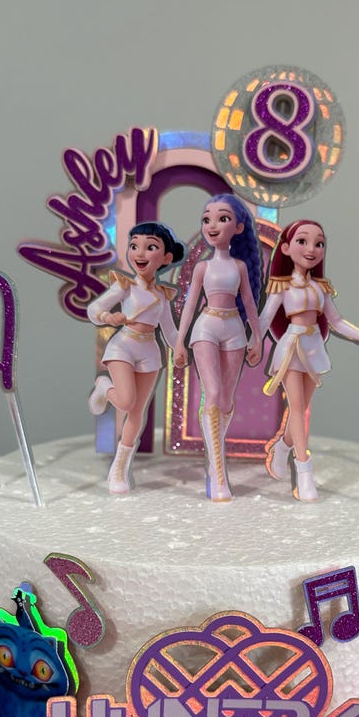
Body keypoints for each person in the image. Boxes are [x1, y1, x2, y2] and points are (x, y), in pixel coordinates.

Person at [260, 220, 359, 501]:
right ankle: (304, 471)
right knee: (297, 408)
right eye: (302, 241)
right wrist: (250, 342)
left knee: (301, 409)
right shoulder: (281, 286)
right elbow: (266, 318)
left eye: (318, 243)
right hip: (291, 348)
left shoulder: (320, 287)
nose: (311, 249)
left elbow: (336, 321)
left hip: (313, 349)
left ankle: (282, 447)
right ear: (285, 248)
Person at [174, 194, 263, 501]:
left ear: (238, 228)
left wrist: (257, 337)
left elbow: (249, 302)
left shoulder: (240, 266)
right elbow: (190, 304)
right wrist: (180, 341)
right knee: (211, 393)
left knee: (225, 400)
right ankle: (218, 470)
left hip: (234, 328)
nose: (212, 225)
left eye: (222, 218)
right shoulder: (202, 267)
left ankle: (213, 463)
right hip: (206, 327)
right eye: (207, 219)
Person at [88, 222, 185, 493]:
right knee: (126, 400)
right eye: (134, 246)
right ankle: (104, 387)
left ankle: (120, 468)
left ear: (166, 258)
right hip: (123, 346)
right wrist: (108, 317)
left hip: (149, 351)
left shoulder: (163, 295)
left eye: (150, 247)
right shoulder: (125, 286)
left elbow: (170, 330)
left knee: (136, 412)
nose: (140, 253)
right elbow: (94, 308)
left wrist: (180, 349)